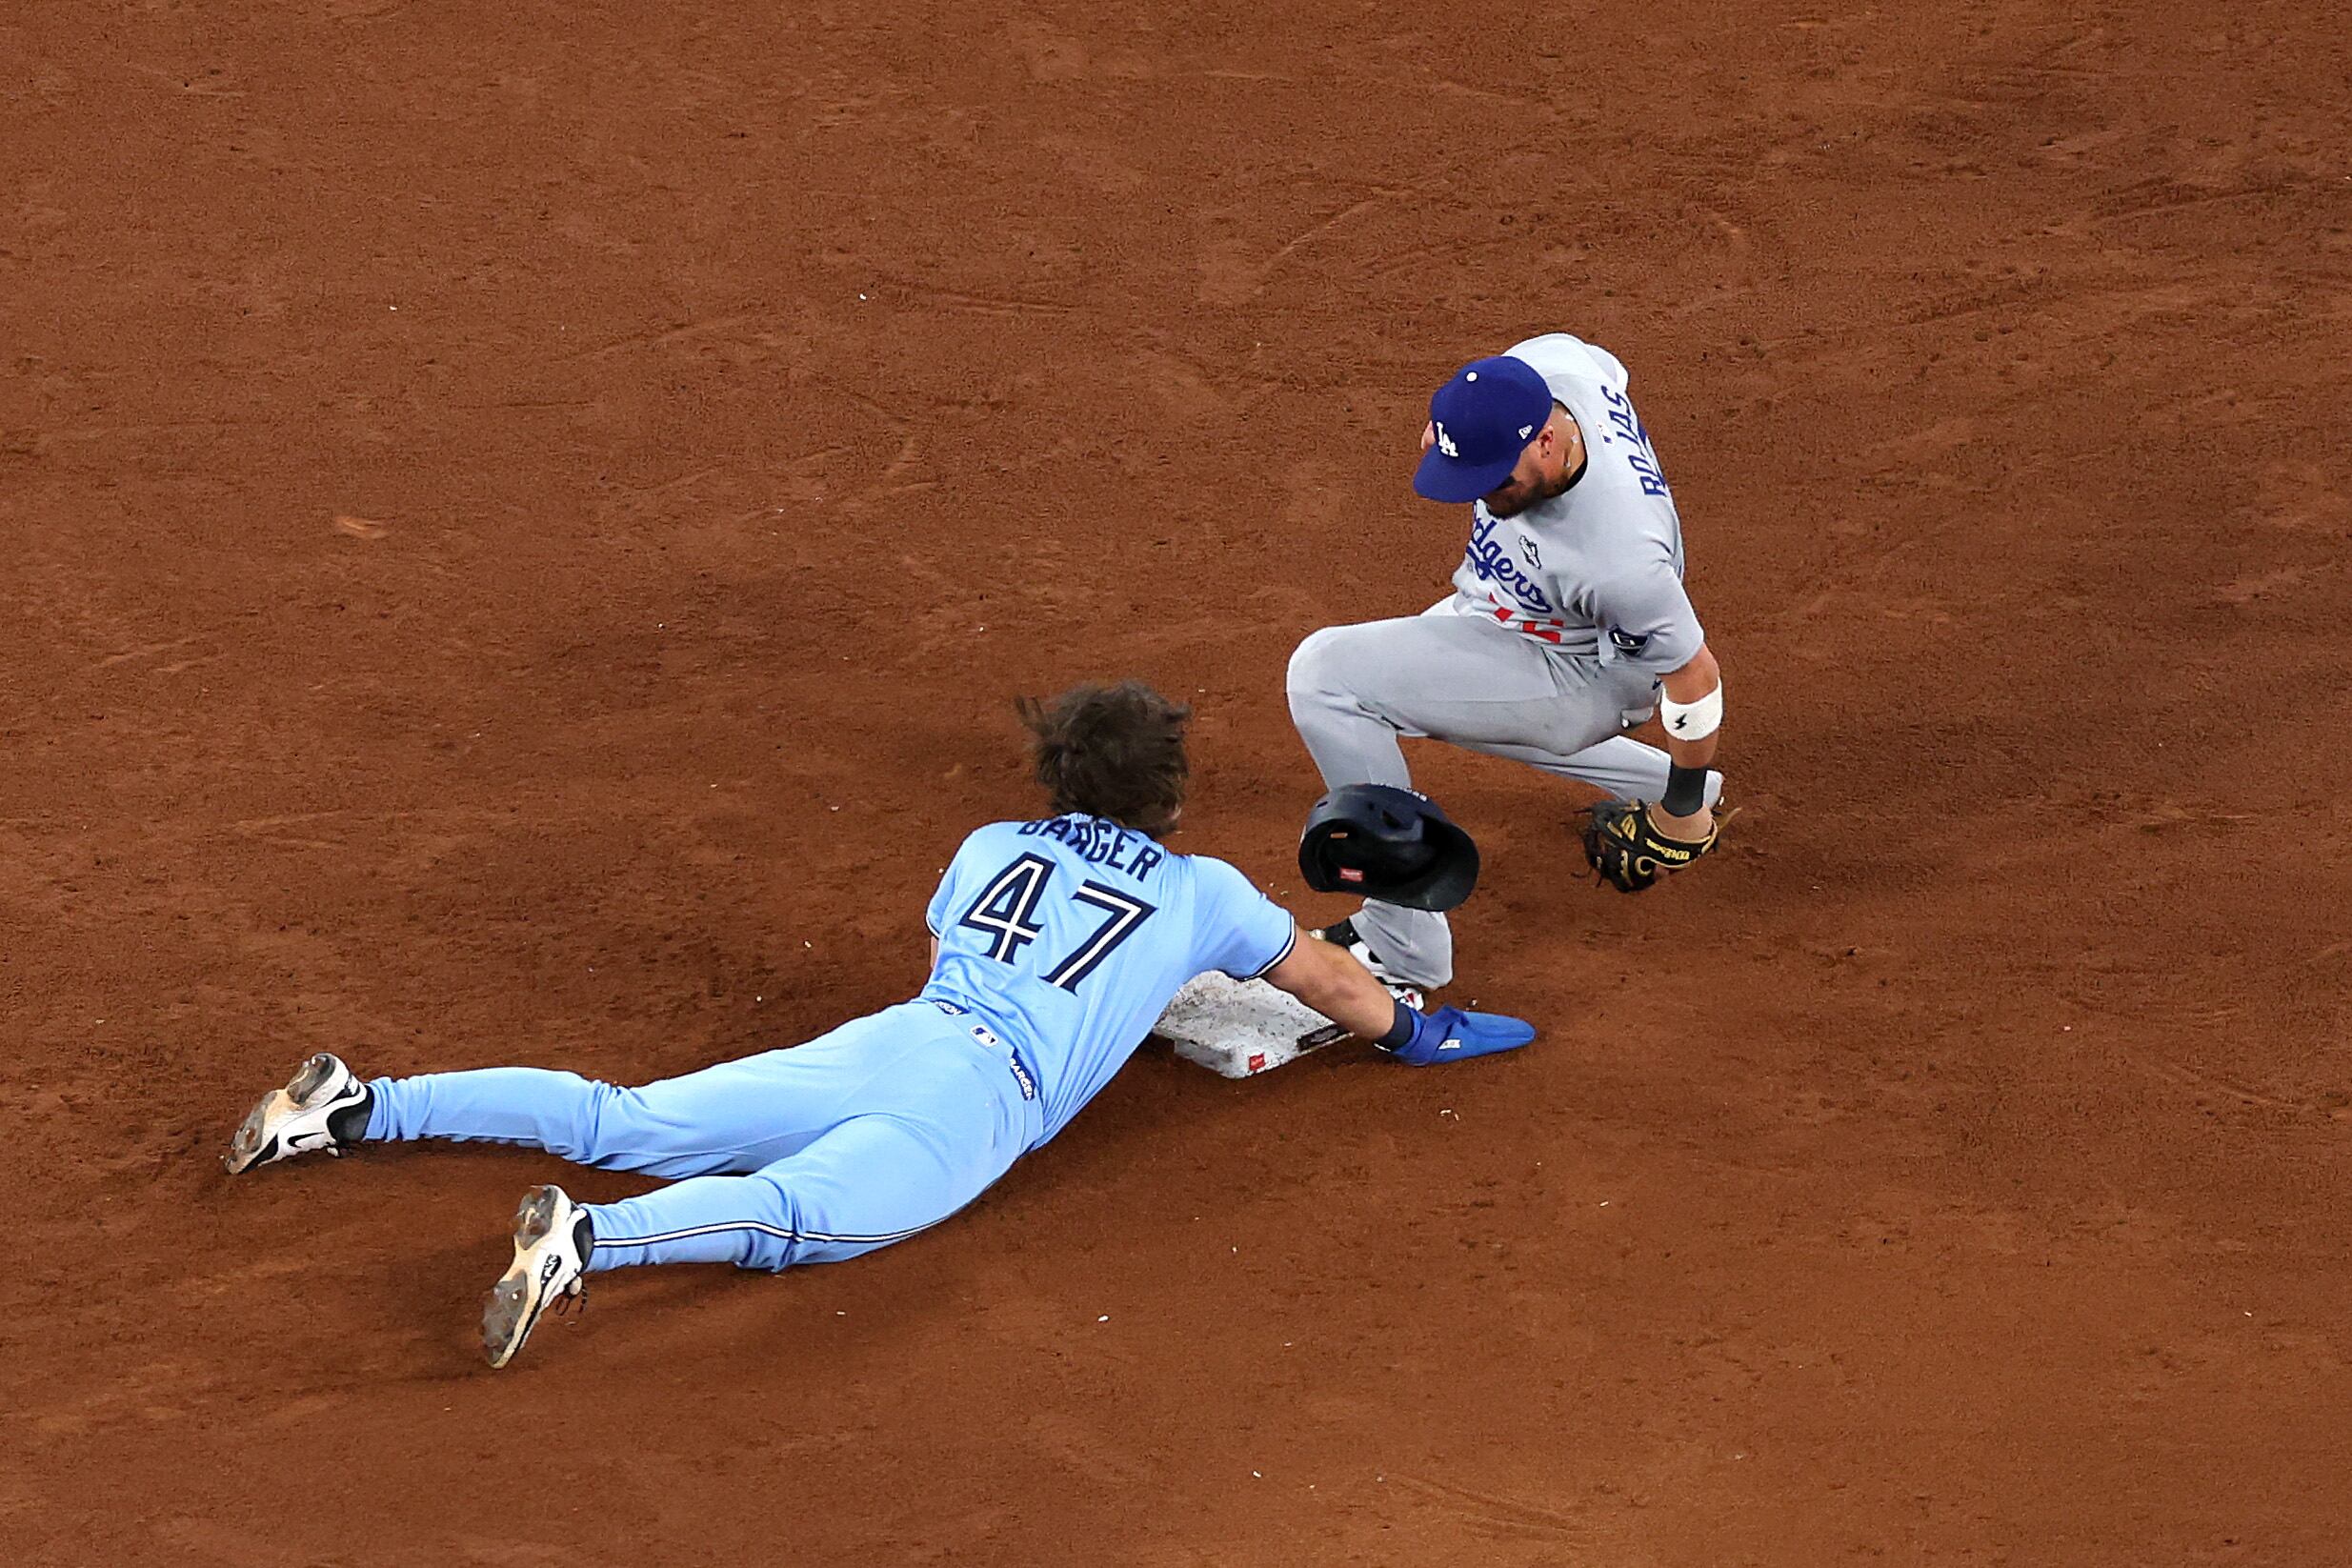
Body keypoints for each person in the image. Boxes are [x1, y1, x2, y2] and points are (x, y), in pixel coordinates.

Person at [224, 682, 1537, 1367]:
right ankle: (591, 1242)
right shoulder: (1202, 894)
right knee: (793, 1217)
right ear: (1169, 789)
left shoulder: (987, 844)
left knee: (622, 1113)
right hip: (972, 1101)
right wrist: (1417, 1034)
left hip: (891, 1037)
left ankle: (354, 1104)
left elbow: (958, 949)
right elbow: (1320, 980)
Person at [1284, 332, 1733, 993]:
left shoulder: (1618, 561)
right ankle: (1650, 782)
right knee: (1422, 694)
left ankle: (1403, 946)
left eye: (1496, 479)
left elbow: (1694, 679)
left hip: (1585, 672)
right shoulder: (1551, 367)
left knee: (1328, 679)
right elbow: (1600, 365)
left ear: (1546, 443)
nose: (1483, 493)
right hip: (1507, 616)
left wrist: (1684, 812)